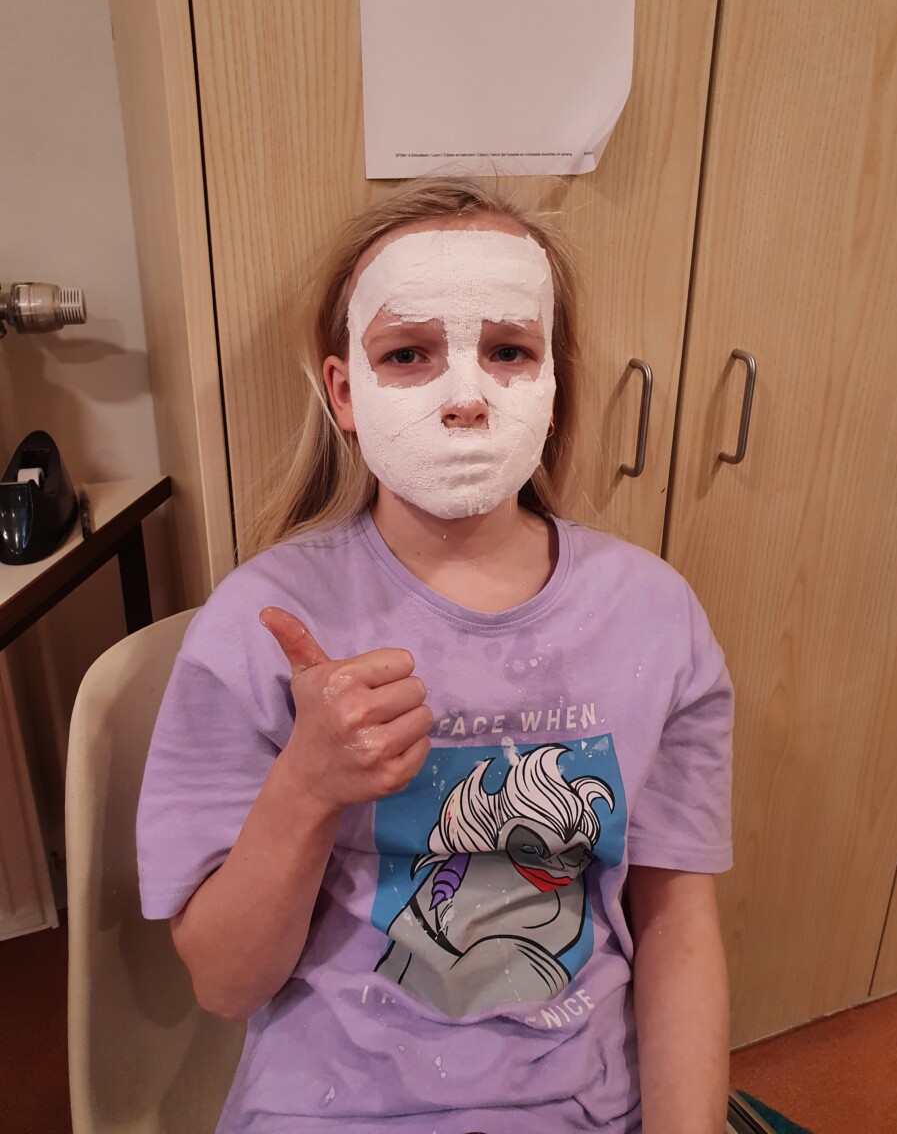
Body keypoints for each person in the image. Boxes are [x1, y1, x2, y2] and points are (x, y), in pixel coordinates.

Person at [137, 178, 733, 1134]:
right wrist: (307, 785)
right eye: (409, 353)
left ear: (553, 385)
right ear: (345, 392)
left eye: (508, 351)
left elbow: (678, 930)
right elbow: (223, 983)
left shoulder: (654, 618)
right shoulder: (262, 624)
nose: (464, 398)